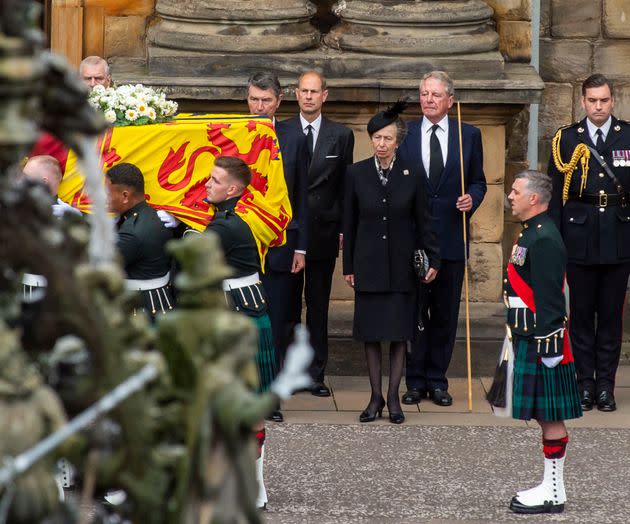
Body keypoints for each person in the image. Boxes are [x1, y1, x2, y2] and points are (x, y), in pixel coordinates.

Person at [342, 101, 440, 424]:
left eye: (387, 139)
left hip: (401, 268)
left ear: (397, 141)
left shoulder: (412, 174)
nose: (381, 144)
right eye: (376, 138)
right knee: (371, 335)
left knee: (399, 335)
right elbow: (350, 223)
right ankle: (375, 398)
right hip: (368, 265)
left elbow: (425, 223)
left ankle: (395, 398)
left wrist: (433, 259)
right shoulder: (356, 173)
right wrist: (348, 267)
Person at [398, 70, 487, 407]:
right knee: (415, 313)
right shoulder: (405, 133)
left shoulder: (469, 134)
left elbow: (478, 181)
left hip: (451, 236)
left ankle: (437, 380)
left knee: (446, 314)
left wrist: (472, 199)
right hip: (415, 241)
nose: (428, 100)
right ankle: (414, 379)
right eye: (424, 94)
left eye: (435, 94)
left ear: (450, 100)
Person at [548, 73, 630, 413]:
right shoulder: (567, 139)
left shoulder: (627, 136)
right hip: (578, 236)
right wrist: (552, 242)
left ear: (613, 101)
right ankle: (584, 384)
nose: (598, 106)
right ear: (583, 101)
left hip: (618, 235)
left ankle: (605, 388)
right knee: (580, 315)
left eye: (604, 100)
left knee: (611, 316)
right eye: (592, 100)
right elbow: (554, 197)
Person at [203, 155, 282, 510]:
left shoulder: (224, 228)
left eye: (215, 180)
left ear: (233, 189)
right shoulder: (228, 220)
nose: (207, 184)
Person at [505, 170, 582, 514]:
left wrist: (550, 348)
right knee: (542, 415)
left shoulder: (545, 238)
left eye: (516, 191)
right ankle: (550, 486)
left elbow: (551, 299)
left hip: (542, 340)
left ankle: (554, 491)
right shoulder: (532, 233)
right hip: (527, 335)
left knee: (550, 416)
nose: (510, 195)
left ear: (533, 199)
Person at [283, 71, 354, 397]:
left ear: (325, 95)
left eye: (315, 91)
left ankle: (316, 373)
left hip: (324, 231)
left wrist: (343, 228)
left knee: (318, 305)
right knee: (287, 306)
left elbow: (344, 186)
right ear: (296, 94)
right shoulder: (281, 129)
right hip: (290, 230)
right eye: (304, 91)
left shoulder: (340, 135)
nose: (309, 97)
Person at [247, 71, 309, 421]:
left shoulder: (293, 137)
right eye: (254, 99)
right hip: (243, 246)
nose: (259, 106)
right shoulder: (234, 134)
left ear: (279, 101)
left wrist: (301, 247)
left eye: (265, 100)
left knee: (279, 321)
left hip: (283, 245)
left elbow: (302, 197)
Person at [105, 162, 175, 320]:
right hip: (161, 301)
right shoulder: (153, 216)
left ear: (125, 196)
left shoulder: (132, 233)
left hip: (141, 309)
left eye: (108, 193)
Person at [31, 55, 112, 172]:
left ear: (108, 80)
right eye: (87, 79)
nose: (93, 84)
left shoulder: (120, 104)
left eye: (98, 78)